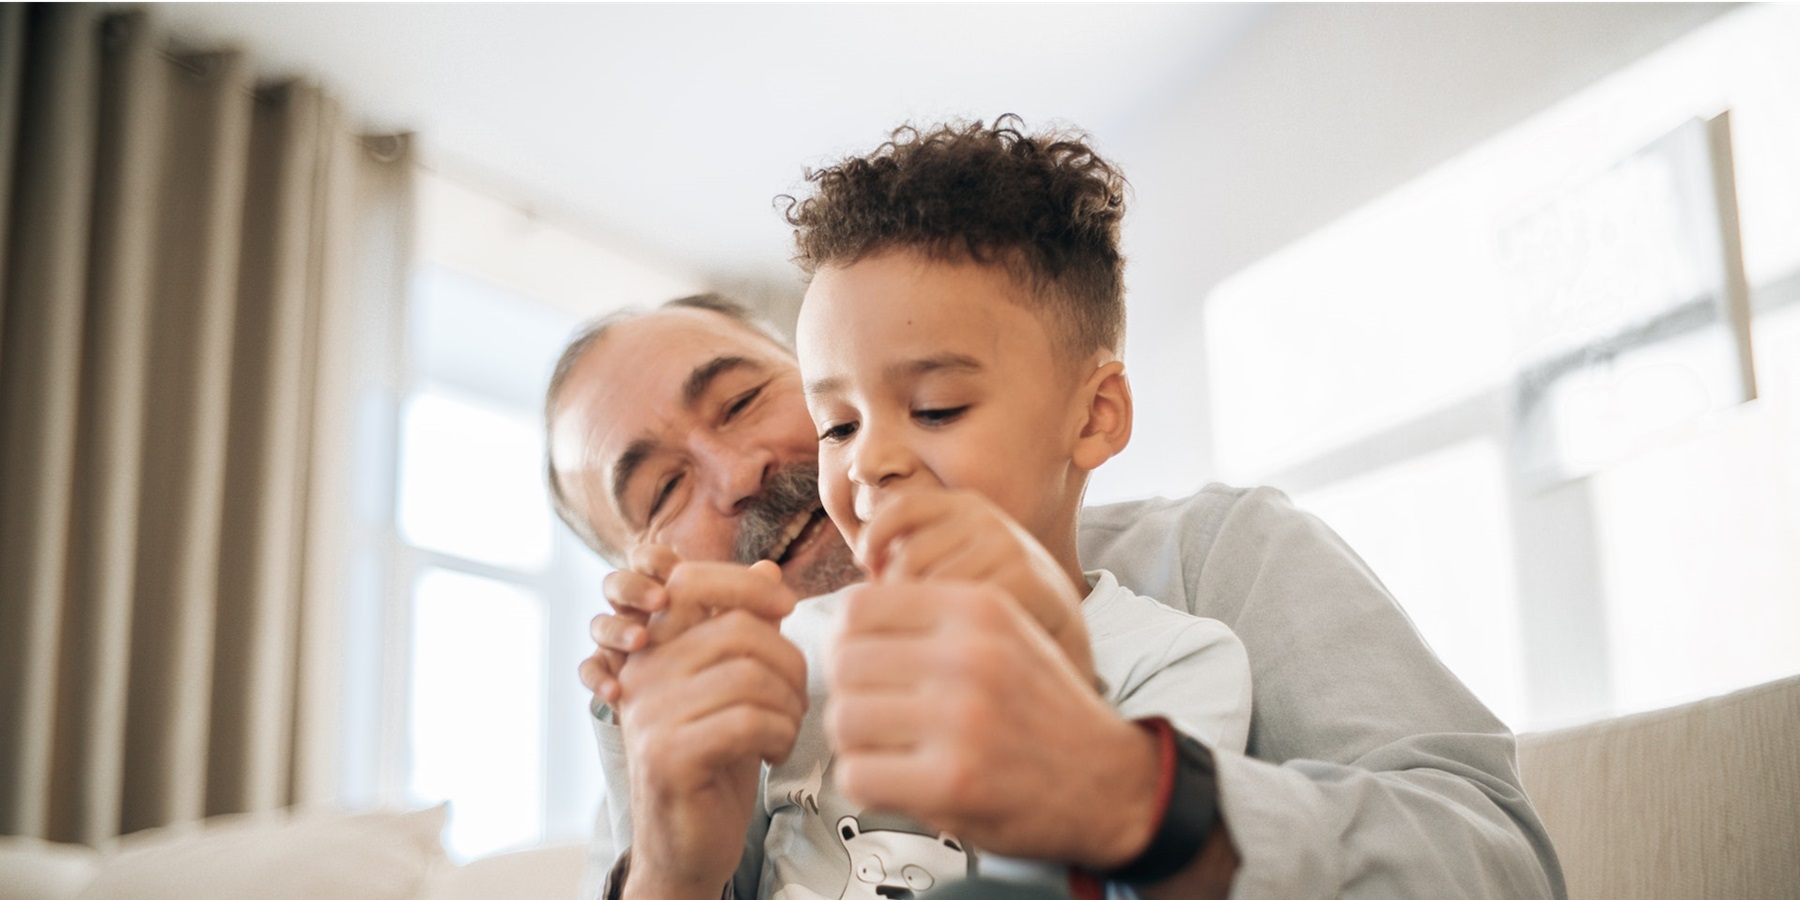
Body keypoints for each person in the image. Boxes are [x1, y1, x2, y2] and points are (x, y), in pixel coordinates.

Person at [546, 119, 1565, 900]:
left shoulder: (1209, 578)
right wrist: (676, 874)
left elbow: (1498, 865)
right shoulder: (667, 736)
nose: (737, 472)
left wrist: (1132, 795)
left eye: (741, 401)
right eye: (662, 490)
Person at [751, 116, 1255, 900]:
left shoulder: (1174, 661)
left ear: (1094, 417)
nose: (869, 461)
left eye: (938, 408)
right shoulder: (789, 657)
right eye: (838, 426)